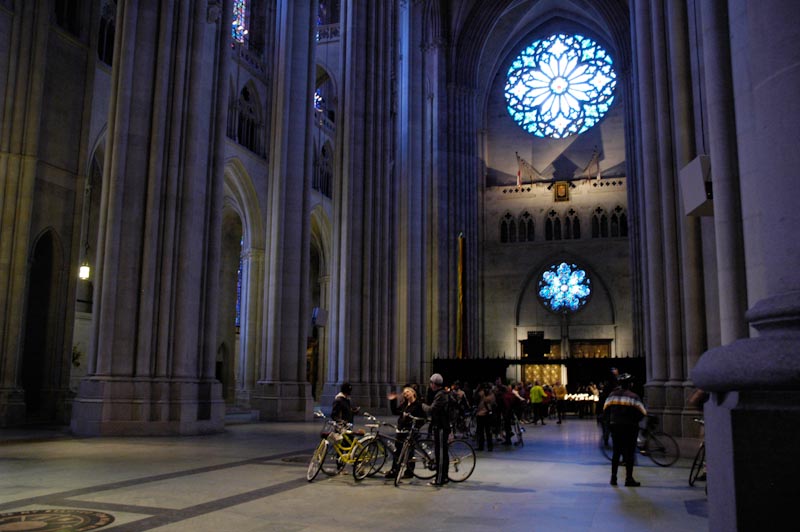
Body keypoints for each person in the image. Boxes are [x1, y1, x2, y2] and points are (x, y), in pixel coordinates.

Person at [602, 373, 647, 487]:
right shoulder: (633, 396)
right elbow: (642, 412)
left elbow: (605, 410)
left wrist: (610, 422)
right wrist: (634, 420)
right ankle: (628, 479)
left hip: (615, 427)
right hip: (630, 428)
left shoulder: (612, 395)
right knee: (629, 454)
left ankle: (613, 478)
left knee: (616, 452)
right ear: (630, 384)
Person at [385, 386, 426, 479]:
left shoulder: (418, 405)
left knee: (409, 453)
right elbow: (395, 411)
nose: (406, 394)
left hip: (410, 432)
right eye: (404, 393)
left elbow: (423, 418)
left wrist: (416, 427)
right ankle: (395, 471)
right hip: (401, 431)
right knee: (397, 452)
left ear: (413, 393)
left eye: (407, 392)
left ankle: (409, 472)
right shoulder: (404, 404)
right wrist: (392, 400)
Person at [424, 373, 450, 486]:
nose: (430, 385)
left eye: (431, 383)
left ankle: (440, 479)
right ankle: (444, 476)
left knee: (440, 454)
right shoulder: (441, 393)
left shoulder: (440, 395)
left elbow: (431, 409)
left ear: (434, 384)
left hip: (441, 427)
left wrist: (422, 405)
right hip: (440, 426)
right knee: (442, 452)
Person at [473, 382, 496, 451]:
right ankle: (481, 446)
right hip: (480, 414)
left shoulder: (491, 395)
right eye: (484, 388)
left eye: (487, 388)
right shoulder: (482, 393)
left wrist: (482, 395)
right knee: (480, 432)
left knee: (488, 432)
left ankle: (489, 446)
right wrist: (477, 389)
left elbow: (489, 401)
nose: (486, 389)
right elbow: (474, 397)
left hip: (487, 415)